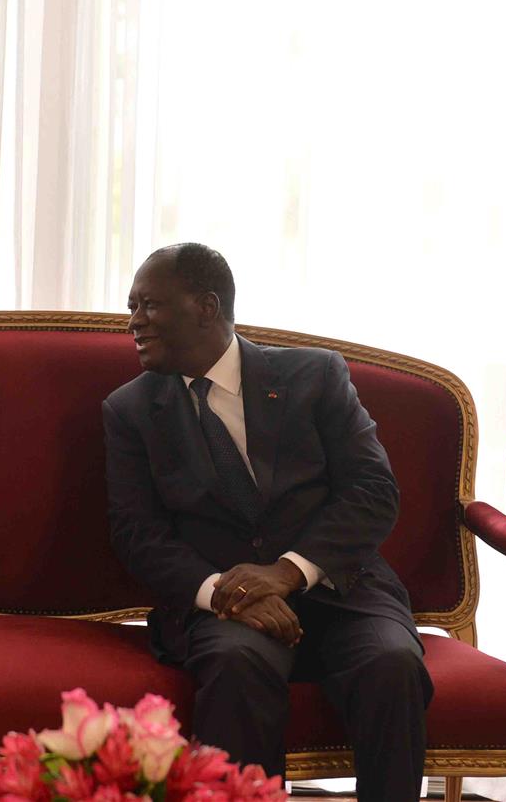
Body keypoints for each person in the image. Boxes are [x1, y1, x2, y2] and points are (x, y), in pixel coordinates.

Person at [103, 244, 431, 802]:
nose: (133, 322)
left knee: (393, 664)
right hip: (225, 608)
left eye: (149, 306)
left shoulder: (315, 375)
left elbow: (373, 492)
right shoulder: (130, 410)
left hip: (341, 591)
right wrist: (228, 593)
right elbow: (138, 535)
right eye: (132, 306)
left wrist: (286, 572)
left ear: (206, 307)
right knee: (235, 664)